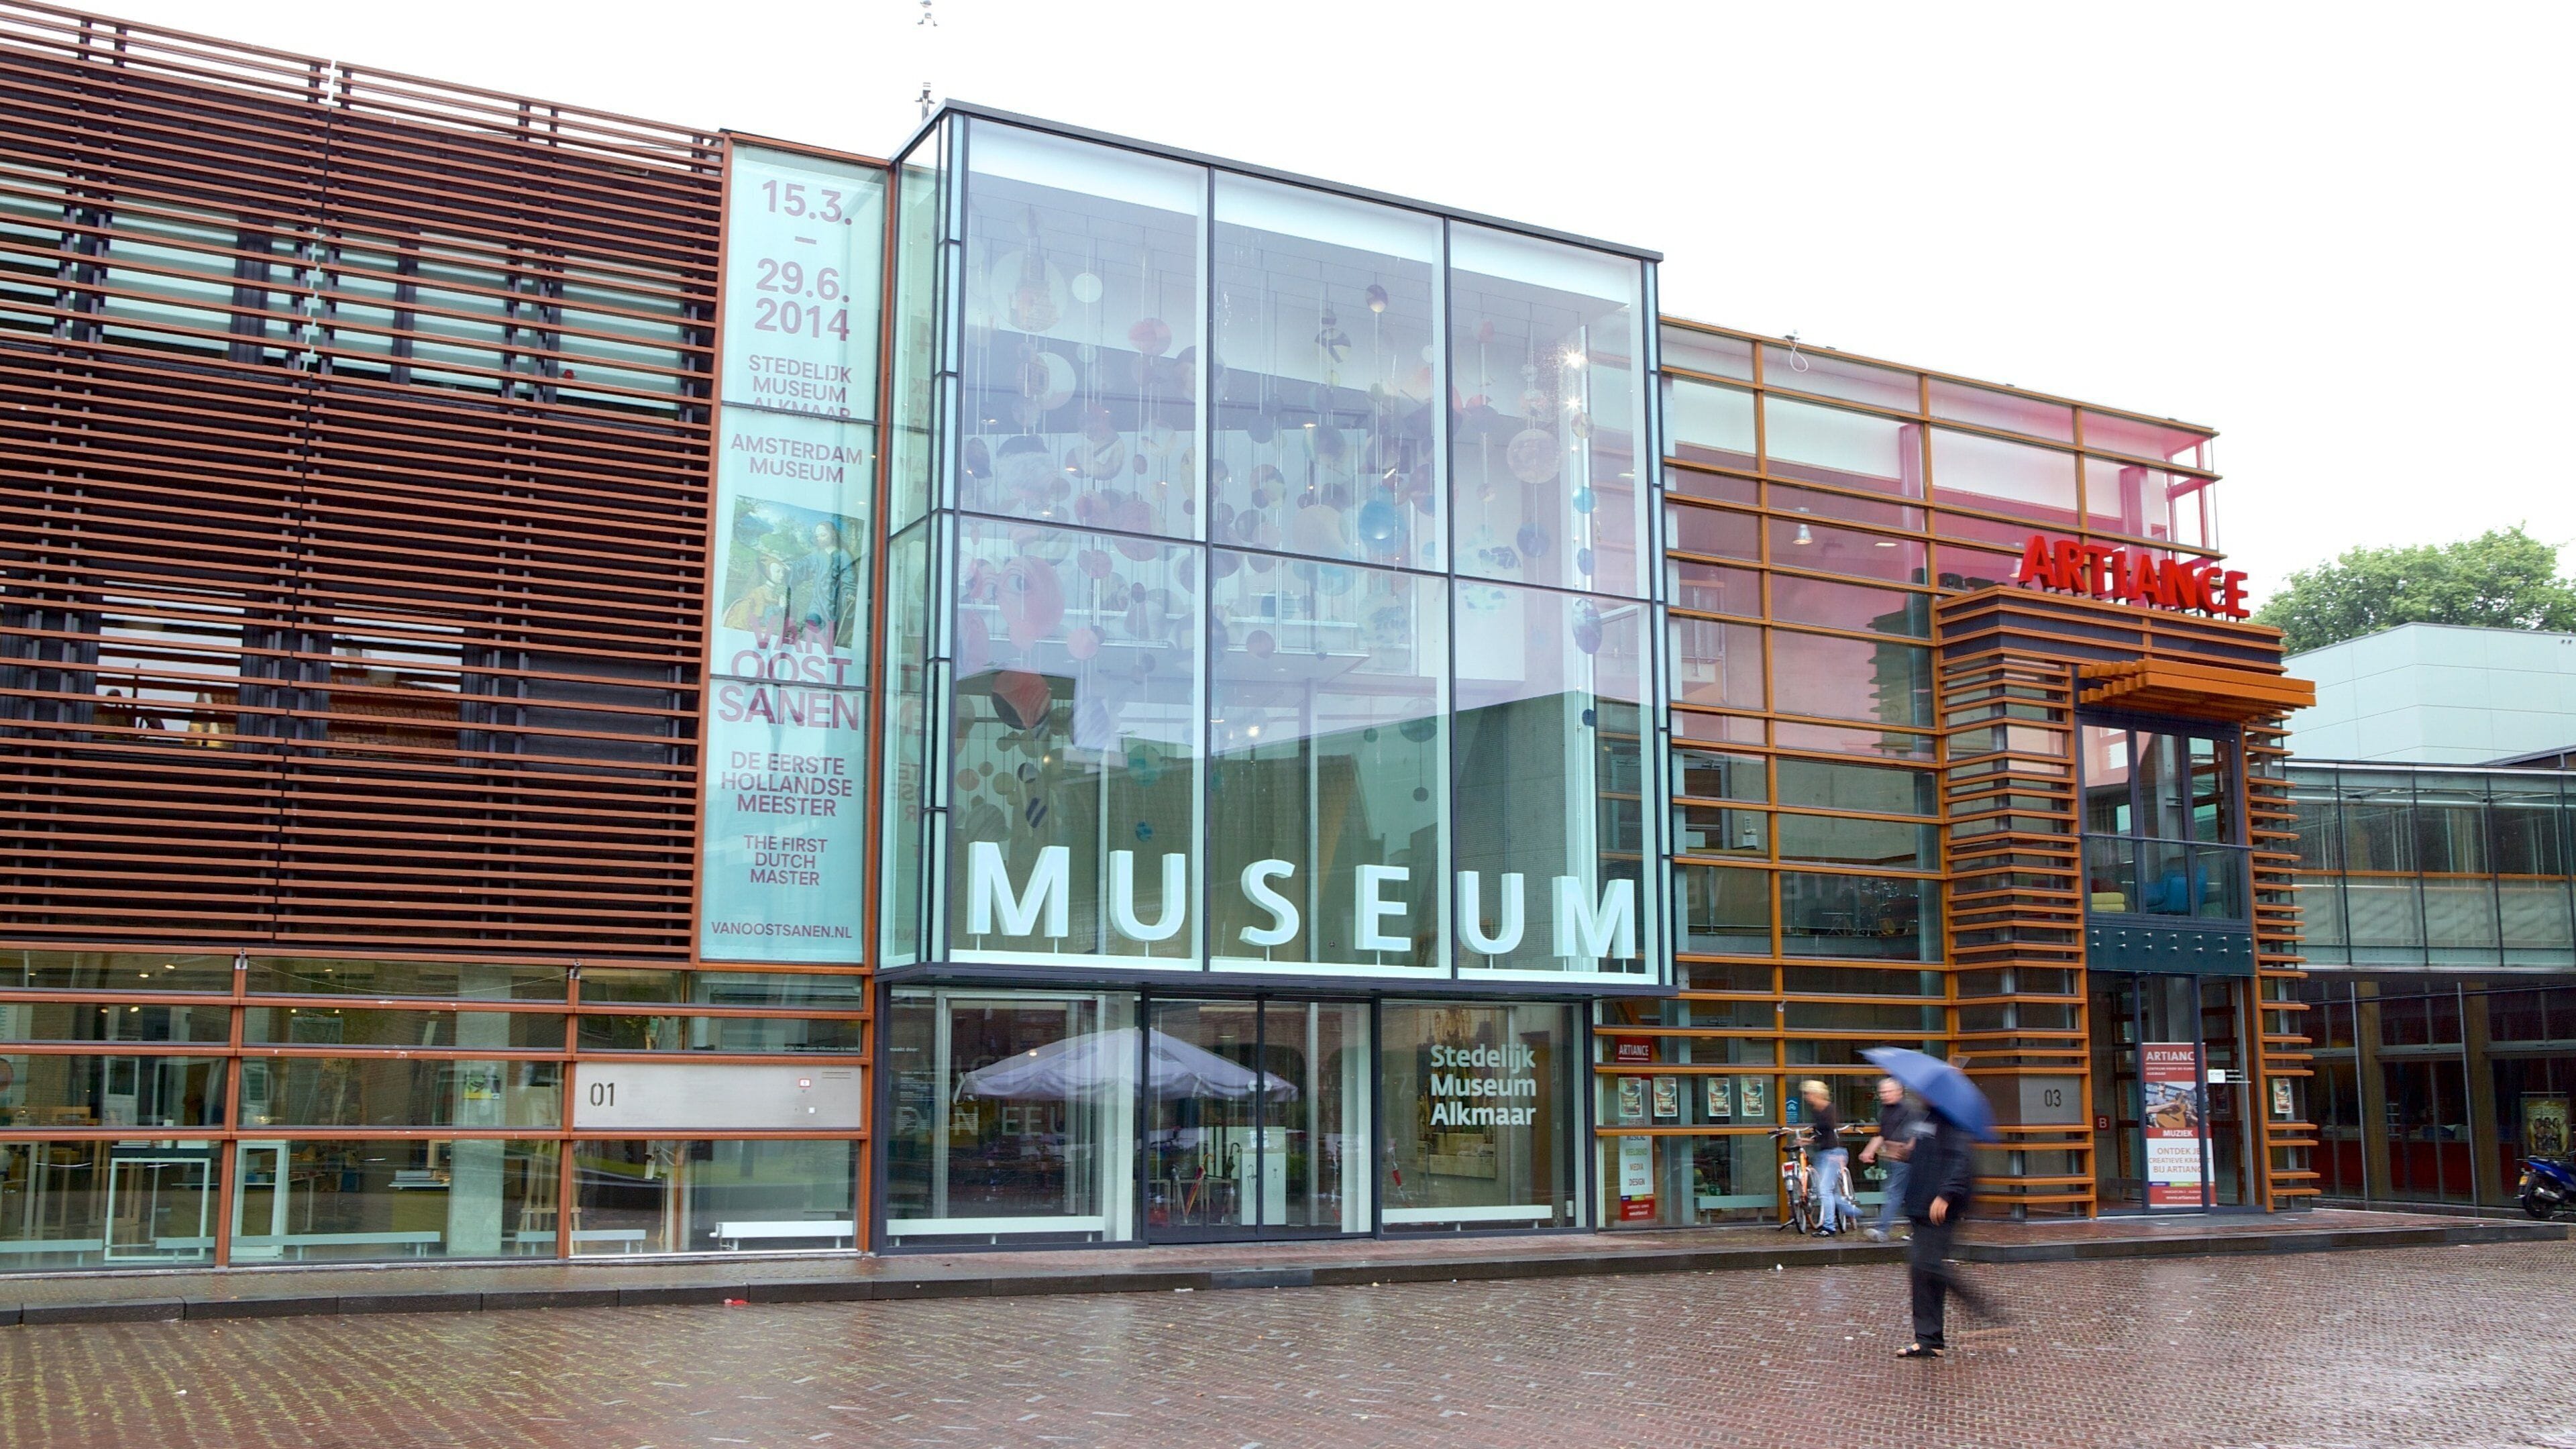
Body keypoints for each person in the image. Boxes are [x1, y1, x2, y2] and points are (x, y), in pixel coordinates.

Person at [1898, 1102, 1994, 1358]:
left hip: (1939, 1207)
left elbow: (1961, 1160)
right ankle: (1929, 1340)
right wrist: (1906, 1152)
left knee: (1928, 1265)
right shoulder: (1924, 1117)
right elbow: (1926, 1156)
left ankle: (1982, 1309)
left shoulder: (1952, 1119)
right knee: (1922, 1271)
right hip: (1920, 1204)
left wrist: (1946, 1194)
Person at [1798, 1079, 1862, 1237]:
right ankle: (1851, 1210)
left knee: (1825, 1190)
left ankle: (1829, 1227)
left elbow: (1830, 1134)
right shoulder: (1816, 1111)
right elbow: (1822, 1135)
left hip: (1833, 1153)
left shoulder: (1829, 1109)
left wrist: (1838, 1157)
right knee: (1827, 1190)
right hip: (1823, 1152)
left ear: (1816, 1093)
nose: (1806, 1097)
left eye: (1808, 1093)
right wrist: (1809, 1140)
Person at [1858, 1075, 1917, 1242]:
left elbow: (1917, 1133)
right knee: (1907, 1195)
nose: (1884, 1095)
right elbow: (1882, 1134)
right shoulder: (1884, 1111)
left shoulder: (1909, 1109)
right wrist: (1868, 1151)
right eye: (1882, 1092)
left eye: (1888, 1092)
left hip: (1907, 1159)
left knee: (1894, 1192)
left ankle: (1882, 1230)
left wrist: (1909, 1147)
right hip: (1895, 1158)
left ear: (1899, 1092)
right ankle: (1919, 1230)